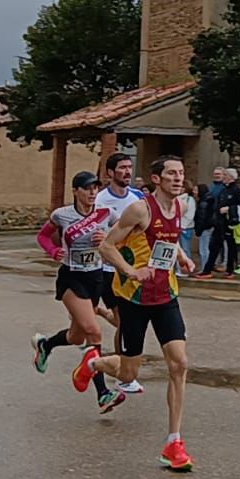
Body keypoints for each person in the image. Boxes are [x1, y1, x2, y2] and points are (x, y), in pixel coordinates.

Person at [76, 155, 197, 472]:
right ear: (156, 178)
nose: (177, 178)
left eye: (181, 173)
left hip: (166, 295)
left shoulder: (180, 207)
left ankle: (174, 442)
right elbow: (107, 247)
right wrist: (130, 271)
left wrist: (182, 257)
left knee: (180, 364)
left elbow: (168, 240)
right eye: (171, 173)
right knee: (128, 374)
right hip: (134, 299)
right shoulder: (140, 209)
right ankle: (93, 363)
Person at [31, 170, 125, 413]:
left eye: (95, 188)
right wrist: (53, 251)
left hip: (95, 277)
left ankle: (46, 344)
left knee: (77, 337)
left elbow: (125, 235)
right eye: (87, 188)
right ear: (75, 191)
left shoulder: (106, 213)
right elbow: (43, 237)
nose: (92, 192)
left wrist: (108, 238)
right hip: (72, 278)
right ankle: (103, 393)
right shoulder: (62, 215)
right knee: (93, 330)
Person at [94, 153, 148, 395]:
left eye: (129, 167)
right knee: (125, 321)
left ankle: (122, 366)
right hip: (109, 268)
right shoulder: (100, 200)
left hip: (135, 269)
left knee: (123, 321)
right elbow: (96, 232)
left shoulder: (138, 198)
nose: (127, 171)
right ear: (110, 173)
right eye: (122, 168)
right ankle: (122, 371)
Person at [177, 181, 198, 277]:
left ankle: (186, 269)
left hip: (186, 228)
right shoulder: (176, 198)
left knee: (185, 249)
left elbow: (190, 215)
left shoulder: (190, 200)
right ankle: (178, 269)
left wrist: (183, 227)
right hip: (177, 227)